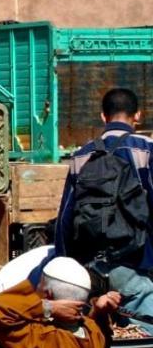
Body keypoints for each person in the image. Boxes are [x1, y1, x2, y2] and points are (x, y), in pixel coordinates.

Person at [54, 88, 153, 330]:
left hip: (92, 272)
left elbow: (65, 219)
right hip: (137, 265)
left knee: (94, 341)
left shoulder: (81, 155)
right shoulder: (146, 149)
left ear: (103, 116)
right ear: (137, 115)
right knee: (144, 343)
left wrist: (64, 266)